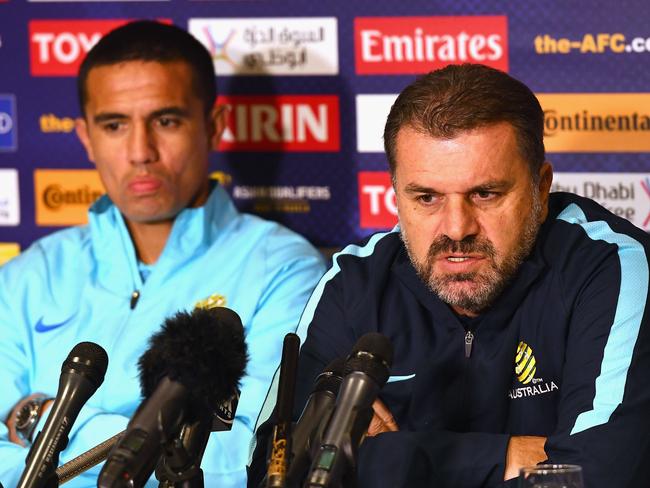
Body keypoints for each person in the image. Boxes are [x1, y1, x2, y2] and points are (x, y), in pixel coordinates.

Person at [249, 63, 650, 487]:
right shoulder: (356, 282)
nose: (457, 229)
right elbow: (272, 472)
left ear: (540, 188)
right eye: (427, 197)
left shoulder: (610, 264)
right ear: (397, 197)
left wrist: (391, 456)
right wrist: (518, 455)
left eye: (485, 194)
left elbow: (602, 474)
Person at [0, 20, 325, 487]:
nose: (140, 151)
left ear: (213, 127)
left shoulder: (284, 270)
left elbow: (250, 459)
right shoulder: (30, 275)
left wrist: (43, 422)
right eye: (114, 125)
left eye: (166, 121)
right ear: (86, 138)